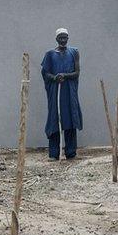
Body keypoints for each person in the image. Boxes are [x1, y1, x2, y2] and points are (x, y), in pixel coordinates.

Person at [41, 27, 83, 160]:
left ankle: (70, 152)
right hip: (56, 92)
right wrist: (54, 78)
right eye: (61, 37)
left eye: (65, 37)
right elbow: (45, 73)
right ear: (56, 39)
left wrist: (65, 75)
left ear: (68, 38)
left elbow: (77, 73)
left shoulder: (74, 52)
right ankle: (54, 153)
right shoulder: (50, 54)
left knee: (70, 119)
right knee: (55, 119)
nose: (63, 40)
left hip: (69, 92)